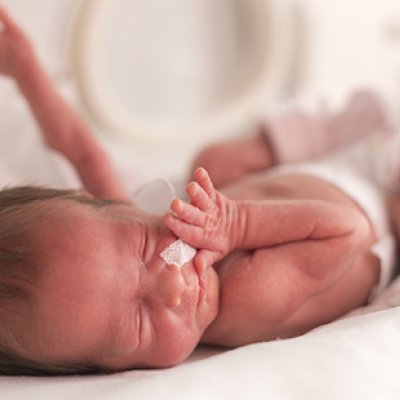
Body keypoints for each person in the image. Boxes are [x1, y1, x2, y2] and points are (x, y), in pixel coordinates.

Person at [0, 7, 396, 376]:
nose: (173, 284)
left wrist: (27, 72)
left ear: (107, 209)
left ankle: (335, 130)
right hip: (381, 205)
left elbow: (86, 156)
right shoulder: (247, 297)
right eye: (139, 325)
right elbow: (349, 232)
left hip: (329, 167)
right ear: (111, 368)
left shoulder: (139, 239)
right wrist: (237, 226)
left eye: (141, 247)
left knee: (212, 163)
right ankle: (360, 132)